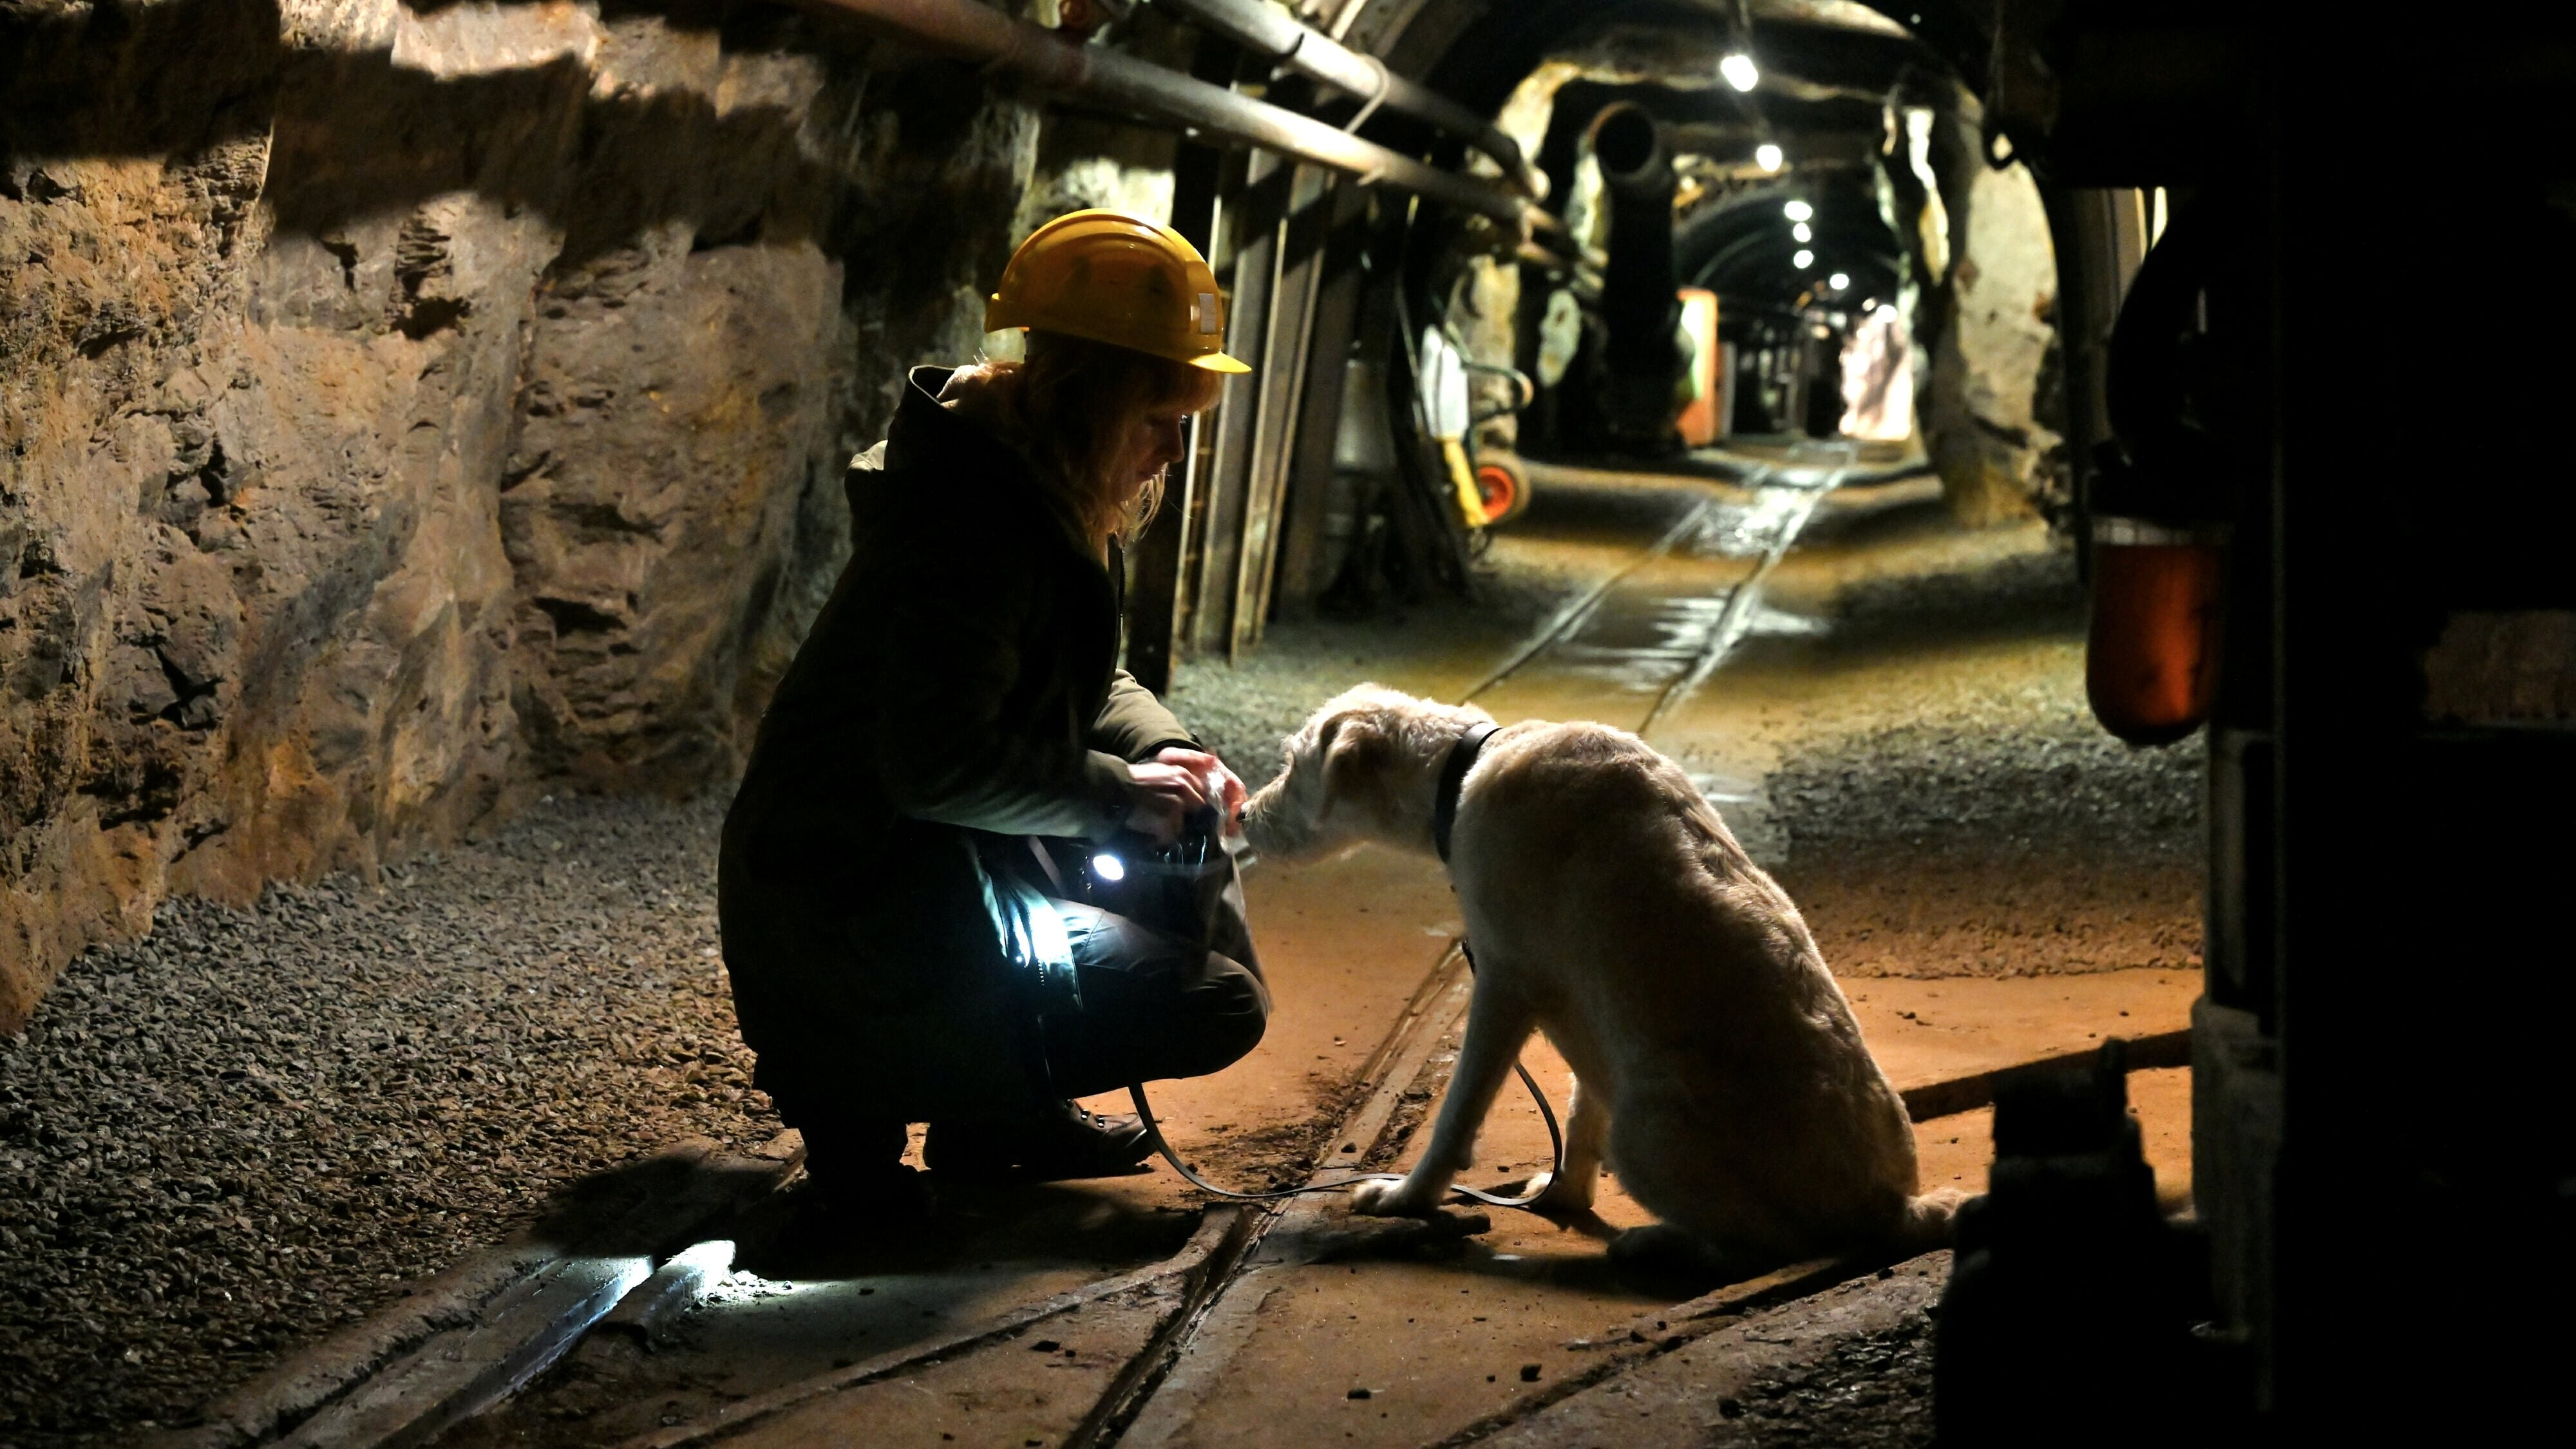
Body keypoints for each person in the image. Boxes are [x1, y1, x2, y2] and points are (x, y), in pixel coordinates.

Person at [718, 211, 1265, 1213]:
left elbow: (1078, 679)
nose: (1172, 451)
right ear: (1096, 396)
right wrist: (1114, 798)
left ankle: (977, 1104)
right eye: (1161, 417)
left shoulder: (1012, 477)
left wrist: (1171, 753)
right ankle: (909, 1085)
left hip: (875, 890)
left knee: (1186, 879)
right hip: (853, 918)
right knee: (1218, 997)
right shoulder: (980, 528)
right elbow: (937, 765)